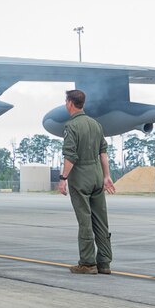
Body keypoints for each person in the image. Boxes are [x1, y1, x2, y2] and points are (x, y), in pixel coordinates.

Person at [58, 89, 112, 274]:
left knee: (85, 220)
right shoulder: (95, 124)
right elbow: (103, 153)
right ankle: (104, 263)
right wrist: (107, 176)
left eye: (66, 101)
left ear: (71, 103)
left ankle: (88, 263)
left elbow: (70, 156)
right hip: (97, 175)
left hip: (80, 177)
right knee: (101, 220)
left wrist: (63, 178)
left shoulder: (71, 126)